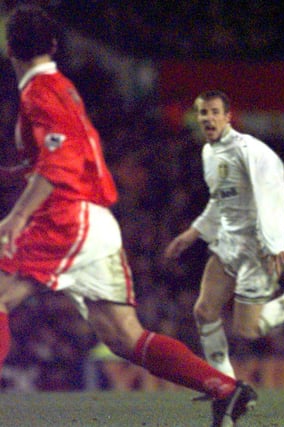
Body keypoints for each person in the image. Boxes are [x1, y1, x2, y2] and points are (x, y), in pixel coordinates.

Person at [0, 6, 253, 427]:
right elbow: (71, 151)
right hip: (95, 221)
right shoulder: (61, 88)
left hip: (66, 218)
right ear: (55, 45)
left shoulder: (39, 92)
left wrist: (16, 218)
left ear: (9, 48)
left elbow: (62, 159)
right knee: (122, 336)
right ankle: (222, 387)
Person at [163, 89, 284, 379]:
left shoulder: (251, 152)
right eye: (203, 112)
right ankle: (223, 385)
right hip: (227, 244)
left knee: (248, 329)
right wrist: (192, 234)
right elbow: (220, 201)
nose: (208, 118)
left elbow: (275, 194)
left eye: (214, 112)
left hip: (257, 247)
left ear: (228, 116)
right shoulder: (210, 153)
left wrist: (276, 243)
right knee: (204, 312)